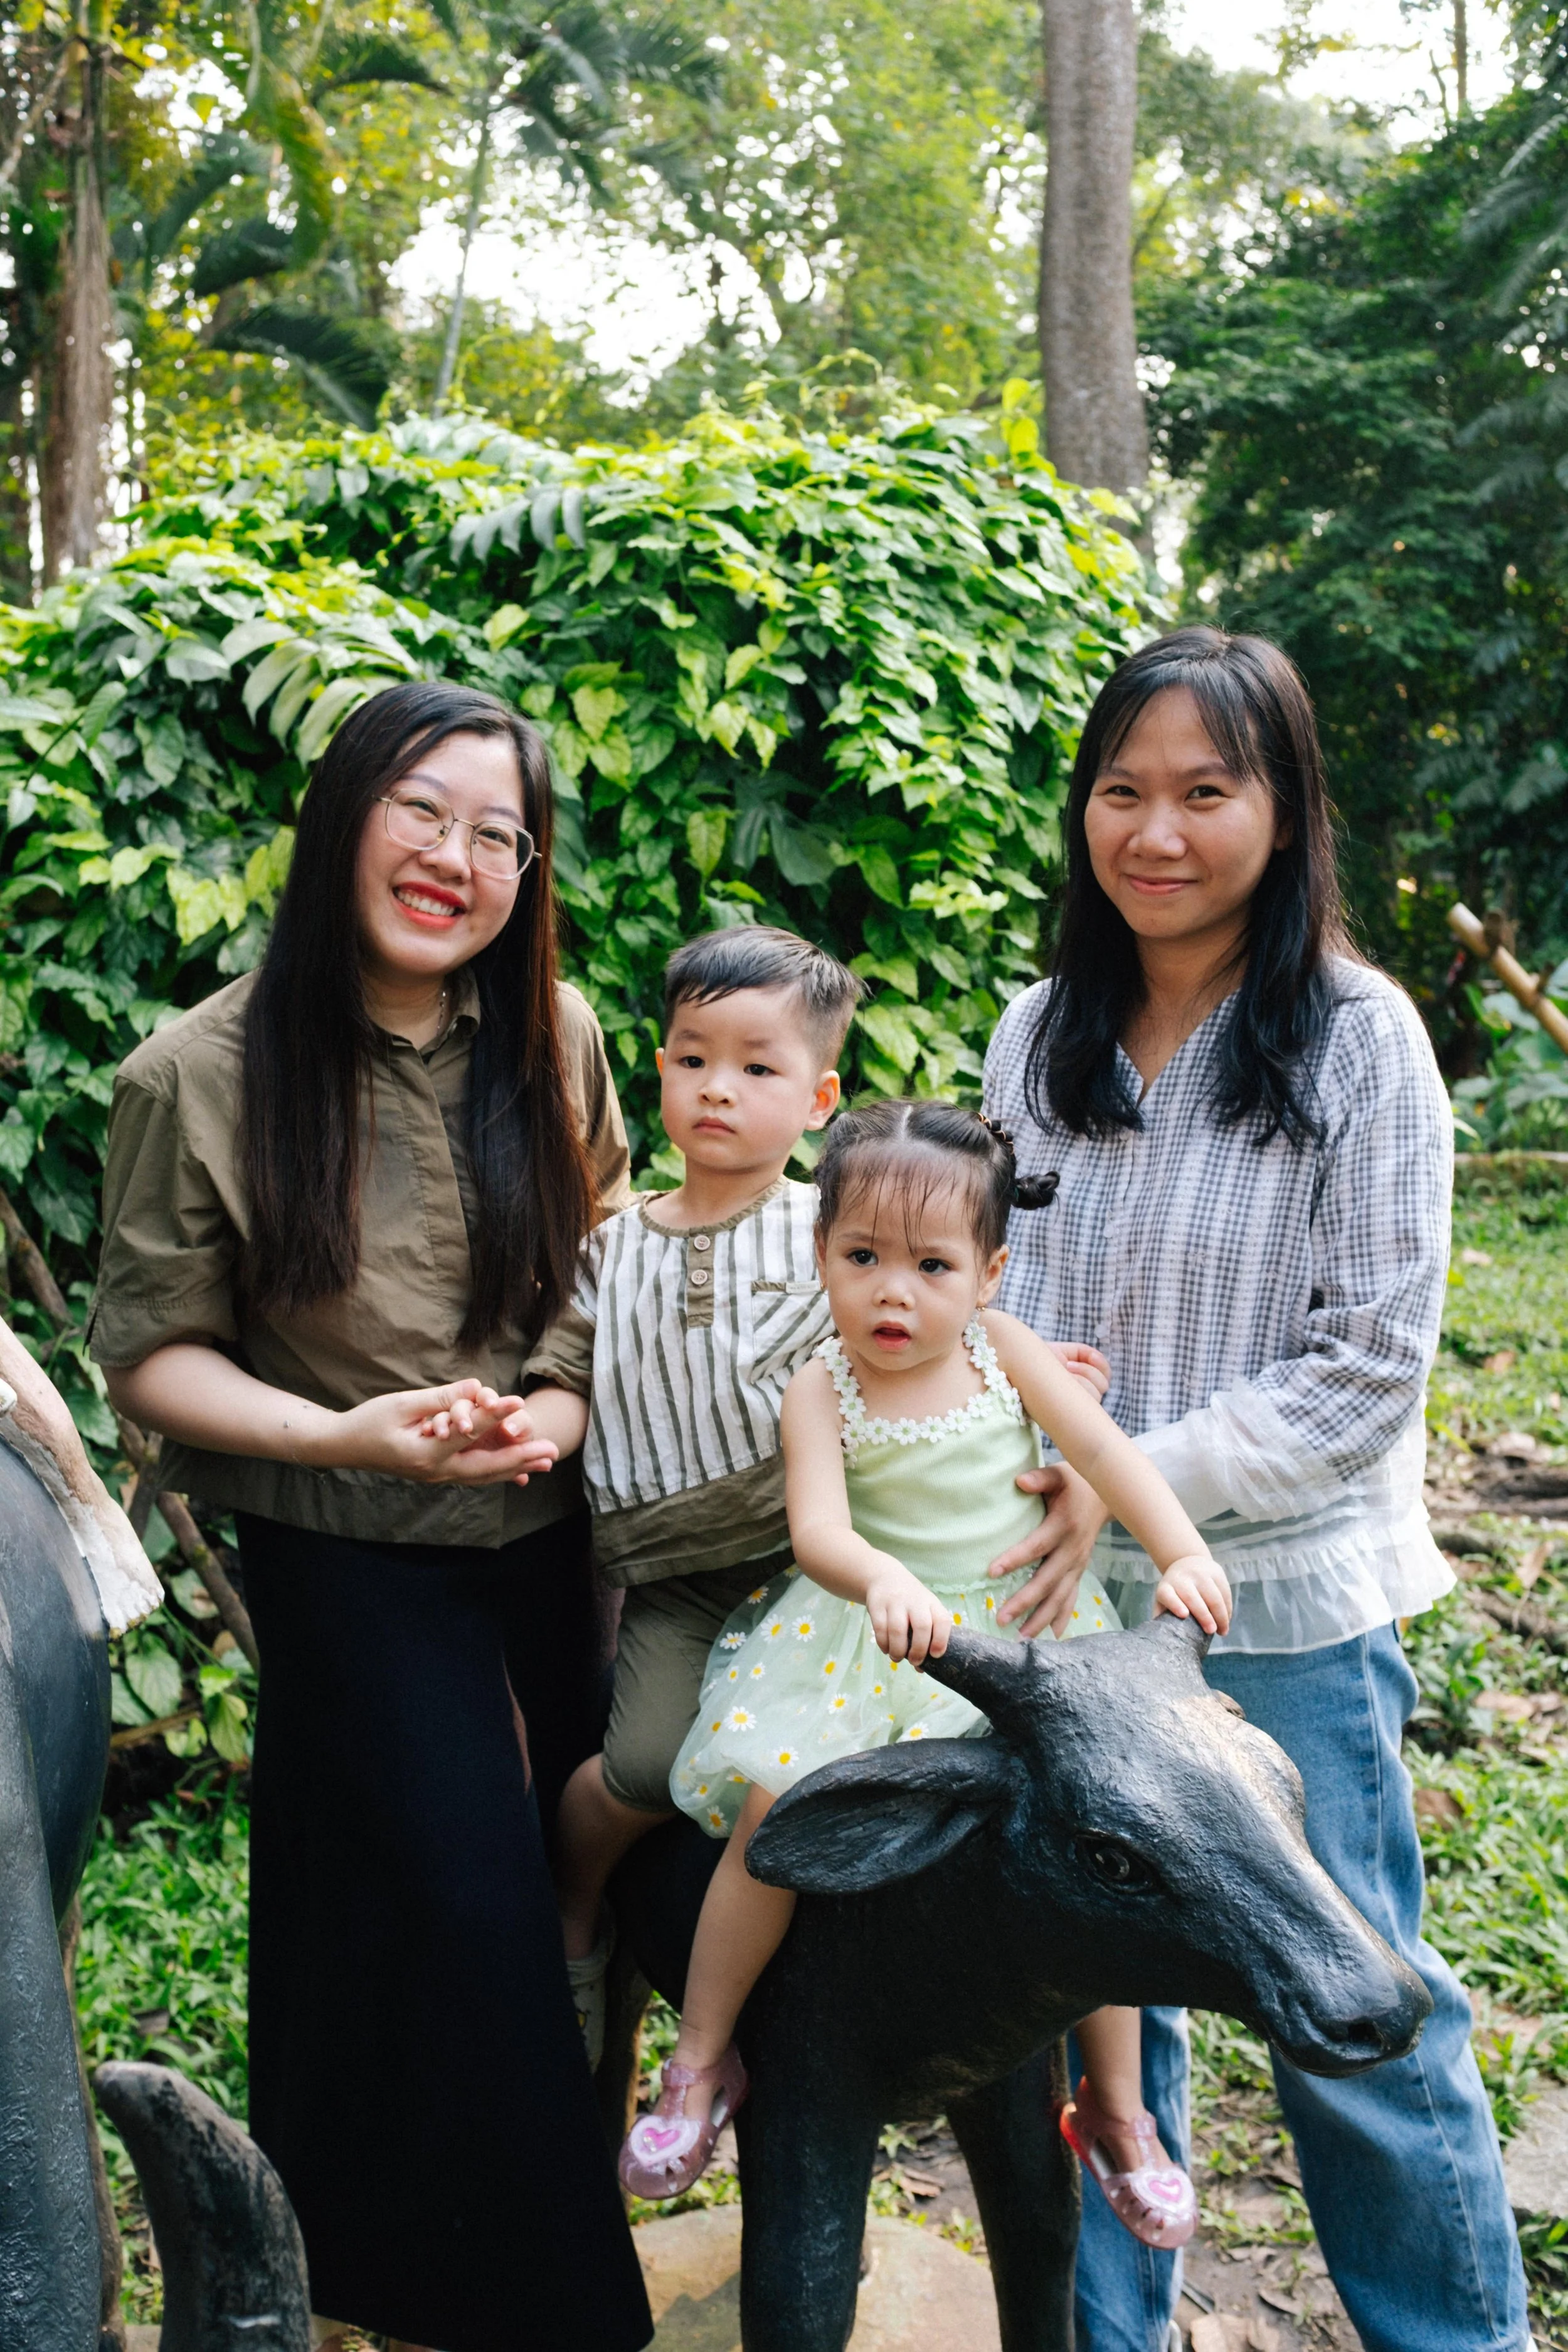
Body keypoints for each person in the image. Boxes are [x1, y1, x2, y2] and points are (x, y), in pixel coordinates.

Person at [982, 626, 1530, 2352]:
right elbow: (994, 1304)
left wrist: (1126, 1479)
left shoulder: (1359, 1039)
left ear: (1284, 811)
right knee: (1093, 2005)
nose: (1154, 832)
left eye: (1204, 792)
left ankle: (1450, 2336)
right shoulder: (1035, 1032)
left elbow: (1366, 1367)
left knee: (1347, 2004)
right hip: (1065, 1610)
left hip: (1278, 1608)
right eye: (1119, 790)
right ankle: (1111, 2333)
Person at [88, 681, 652, 2352]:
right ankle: (533, 2314)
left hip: (554, 1532)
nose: (453, 859)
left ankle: (440, 2265)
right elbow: (152, 1354)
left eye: (497, 834)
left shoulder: (553, 1034)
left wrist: (555, 1407)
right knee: (436, 1908)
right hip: (346, 1545)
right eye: (421, 810)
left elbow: (608, 1252)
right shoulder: (193, 1072)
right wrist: (348, 1434)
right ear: (344, 815)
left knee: (571, 1896)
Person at [619, 1099, 1231, 2229]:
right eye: (862, 1257)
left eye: (931, 1266)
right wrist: (879, 1577)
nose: (892, 1293)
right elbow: (818, 1529)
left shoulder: (1006, 1352)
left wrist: (1182, 1550)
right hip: (869, 1637)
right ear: (821, 1252)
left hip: (1029, 1635)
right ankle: (701, 2059)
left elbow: (1103, 1451)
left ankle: (1114, 2105)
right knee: (774, 1815)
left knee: (1105, 1831)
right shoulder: (822, 1386)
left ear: (989, 1273)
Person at [516, 926, 859, 2062]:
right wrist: (521, 1434)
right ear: (658, 1068)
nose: (719, 1088)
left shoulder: (833, 1235)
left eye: (758, 1067)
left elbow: (913, 1333)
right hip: (673, 1575)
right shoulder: (609, 1249)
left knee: (814, 1772)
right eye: (694, 1058)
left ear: (818, 1099)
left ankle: (776, 2017)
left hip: (814, 1565)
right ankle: (572, 1906)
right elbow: (567, 1380)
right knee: (647, 1766)